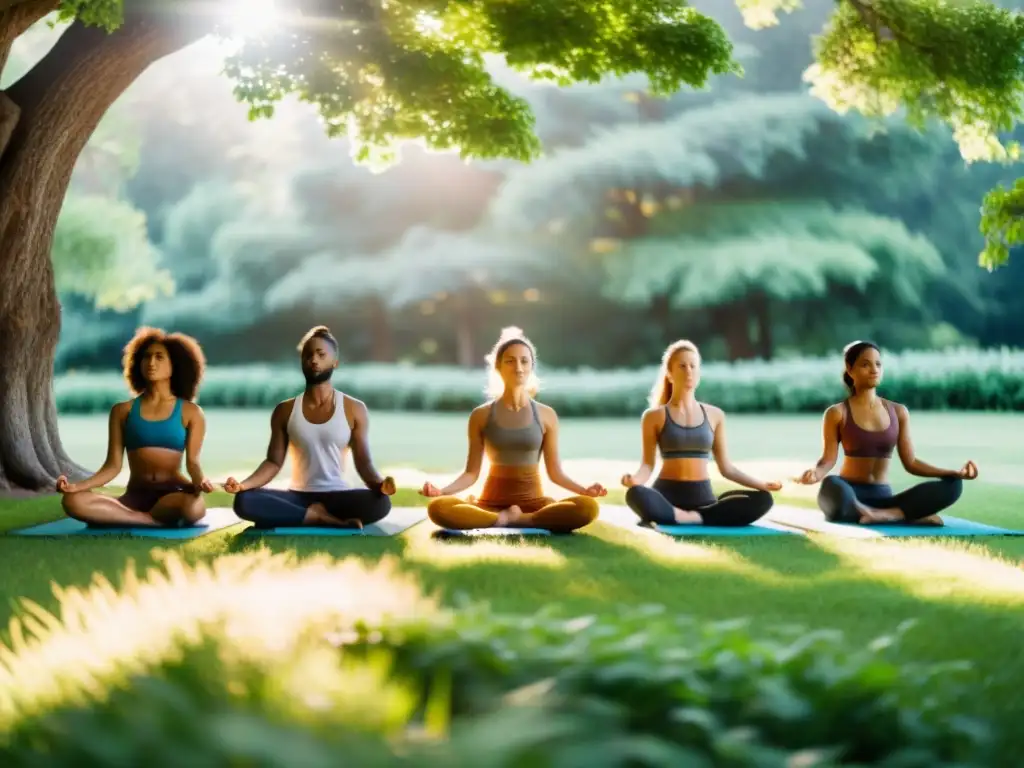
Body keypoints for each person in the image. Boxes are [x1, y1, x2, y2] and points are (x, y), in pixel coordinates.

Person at [420, 326, 605, 532]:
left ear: (531, 366)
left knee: (587, 508)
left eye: (524, 361)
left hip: (535, 505)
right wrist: (442, 491)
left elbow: (555, 472)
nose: (518, 367)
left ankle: (513, 519)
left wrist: (584, 490)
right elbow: (471, 473)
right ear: (498, 367)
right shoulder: (481, 415)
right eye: (510, 361)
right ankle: (506, 517)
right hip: (489, 504)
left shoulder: (547, 415)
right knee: (438, 508)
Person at [224, 326, 395, 529]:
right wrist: (243, 485)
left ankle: (304, 517)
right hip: (298, 497)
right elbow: (273, 462)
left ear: (335, 362)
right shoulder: (284, 410)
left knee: (380, 503)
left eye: (321, 355)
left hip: (339, 496)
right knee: (244, 500)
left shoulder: (355, 409)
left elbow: (364, 462)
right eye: (308, 355)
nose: (314, 360)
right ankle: (318, 517)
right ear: (302, 362)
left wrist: (380, 485)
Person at [793, 340, 977, 525]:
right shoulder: (837, 413)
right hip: (849, 494)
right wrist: (816, 473)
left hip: (884, 497)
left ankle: (886, 514)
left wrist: (953, 473)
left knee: (953, 485)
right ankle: (901, 515)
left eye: (878, 364)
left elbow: (911, 463)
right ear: (850, 369)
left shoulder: (898, 412)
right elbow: (828, 460)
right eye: (865, 364)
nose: (874, 369)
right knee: (831, 484)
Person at [57, 327, 213, 527]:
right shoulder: (122, 411)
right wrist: (77, 487)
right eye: (146, 357)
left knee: (192, 508)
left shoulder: (191, 412)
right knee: (73, 501)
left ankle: (125, 518)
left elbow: (193, 462)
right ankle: (148, 520)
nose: (151, 363)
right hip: (134, 497)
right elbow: (112, 466)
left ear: (176, 364)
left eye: (159, 357)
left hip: (172, 495)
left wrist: (200, 482)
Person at [621, 340, 780, 526]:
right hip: (666, 497)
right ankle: (692, 517)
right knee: (635, 494)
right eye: (682, 366)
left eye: (693, 366)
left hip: (704, 500)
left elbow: (727, 468)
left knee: (764, 499)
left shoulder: (715, 415)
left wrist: (762, 484)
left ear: (698, 373)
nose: (688, 371)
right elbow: (647, 465)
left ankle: (689, 517)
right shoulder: (653, 416)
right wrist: (634, 479)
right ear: (670, 374)